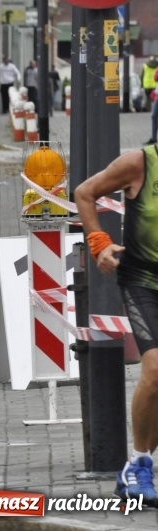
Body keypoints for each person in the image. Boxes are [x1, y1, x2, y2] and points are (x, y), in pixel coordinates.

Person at [75, 146, 158, 506]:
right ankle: (139, 463)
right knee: (155, 371)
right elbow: (85, 192)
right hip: (143, 281)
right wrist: (99, 243)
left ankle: (144, 465)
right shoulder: (140, 163)